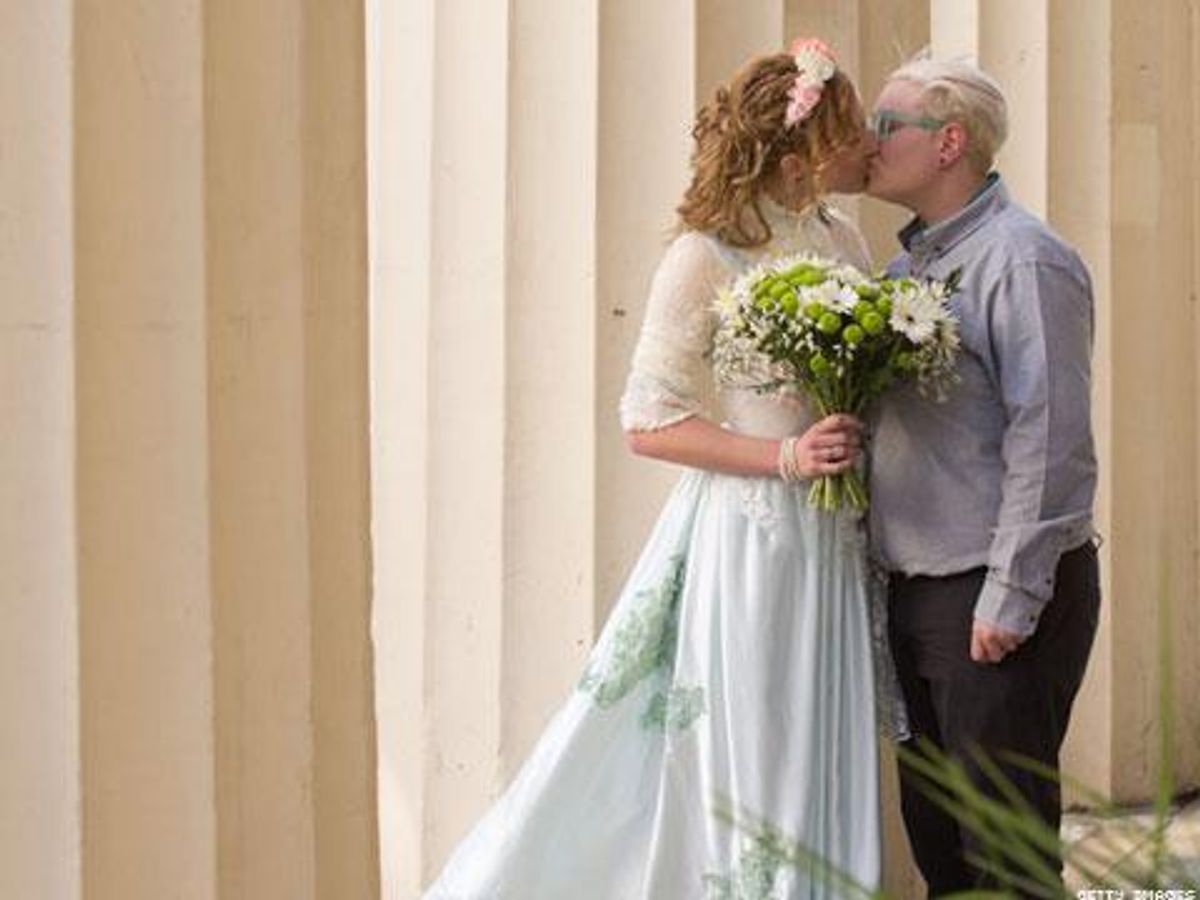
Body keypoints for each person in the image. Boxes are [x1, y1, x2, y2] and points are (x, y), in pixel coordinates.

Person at [424, 40, 886, 899]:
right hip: (753, 538)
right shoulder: (706, 256)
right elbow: (647, 419)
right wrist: (786, 454)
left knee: (824, 727)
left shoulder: (845, 239)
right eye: (849, 131)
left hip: (834, 534)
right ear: (796, 156)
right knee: (760, 732)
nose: (868, 144)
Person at [865, 55, 1100, 897]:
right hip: (919, 597)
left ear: (949, 142)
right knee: (943, 852)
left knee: (1006, 858)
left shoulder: (1025, 260)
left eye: (887, 125)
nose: (869, 142)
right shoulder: (901, 275)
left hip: (993, 598)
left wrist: (1011, 593)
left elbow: (1053, 438)